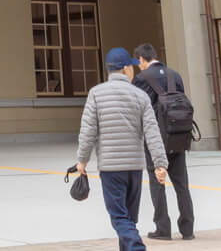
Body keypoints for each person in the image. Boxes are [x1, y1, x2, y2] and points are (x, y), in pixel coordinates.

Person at [66, 48, 169, 251]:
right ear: (125, 69)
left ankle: (136, 247)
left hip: (111, 168)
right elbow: (152, 132)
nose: (133, 70)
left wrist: (82, 161)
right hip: (134, 168)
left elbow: (88, 131)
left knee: (120, 217)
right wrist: (160, 164)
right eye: (131, 67)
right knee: (129, 218)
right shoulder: (140, 96)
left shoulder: (96, 94)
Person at [131, 44, 196, 241]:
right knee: (181, 183)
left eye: (138, 62)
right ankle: (187, 229)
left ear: (142, 59)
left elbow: (138, 108)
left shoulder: (141, 79)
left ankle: (163, 228)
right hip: (178, 135)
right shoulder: (174, 74)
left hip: (156, 138)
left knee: (157, 181)